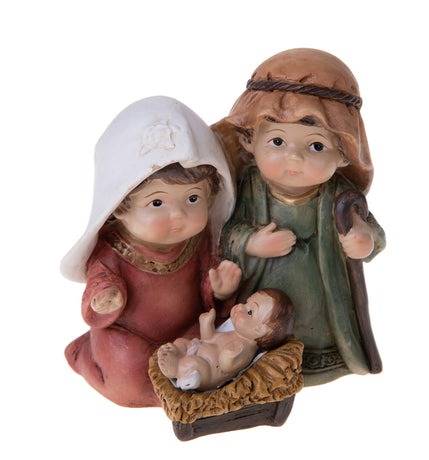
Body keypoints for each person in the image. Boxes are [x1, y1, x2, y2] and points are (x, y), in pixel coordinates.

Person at [212, 48, 386, 387]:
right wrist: (251, 242)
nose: (294, 157)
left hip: (322, 304)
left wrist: (365, 240)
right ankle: (258, 363)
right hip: (259, 301)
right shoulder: (249, 188)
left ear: (342, 154)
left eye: (316, 146)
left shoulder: (340, 195)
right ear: (250, 142)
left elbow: (373, 232)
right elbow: (225, 232)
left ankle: (318, 358)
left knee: (313, 331)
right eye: (277, 141)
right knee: (257, 341)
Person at [61, 96, 240, 407]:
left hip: (188, 330)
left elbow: (206, 282)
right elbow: (99, 288)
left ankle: (186, 388)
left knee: (220, 358)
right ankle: (85, 357)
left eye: (193, 199)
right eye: (157, 203)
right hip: (129, 336)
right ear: (119, 207)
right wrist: (106, 298)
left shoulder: (199, 241)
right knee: (129, 376)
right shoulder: (113, 250)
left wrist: (220, 290)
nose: (179, 215)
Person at [157, 288, 294, 391]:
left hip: (206, 372)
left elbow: (227, 368)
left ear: (259, 330)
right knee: (181, 342)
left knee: (193, 363)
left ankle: (175, 369)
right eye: (246, 302)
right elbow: (210, 339)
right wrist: (206, 324)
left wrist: (228, 357)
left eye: (249, 312)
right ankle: (176, 355)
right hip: (199, 349)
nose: (241, 306)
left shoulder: (244, 349)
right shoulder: (234, 332)